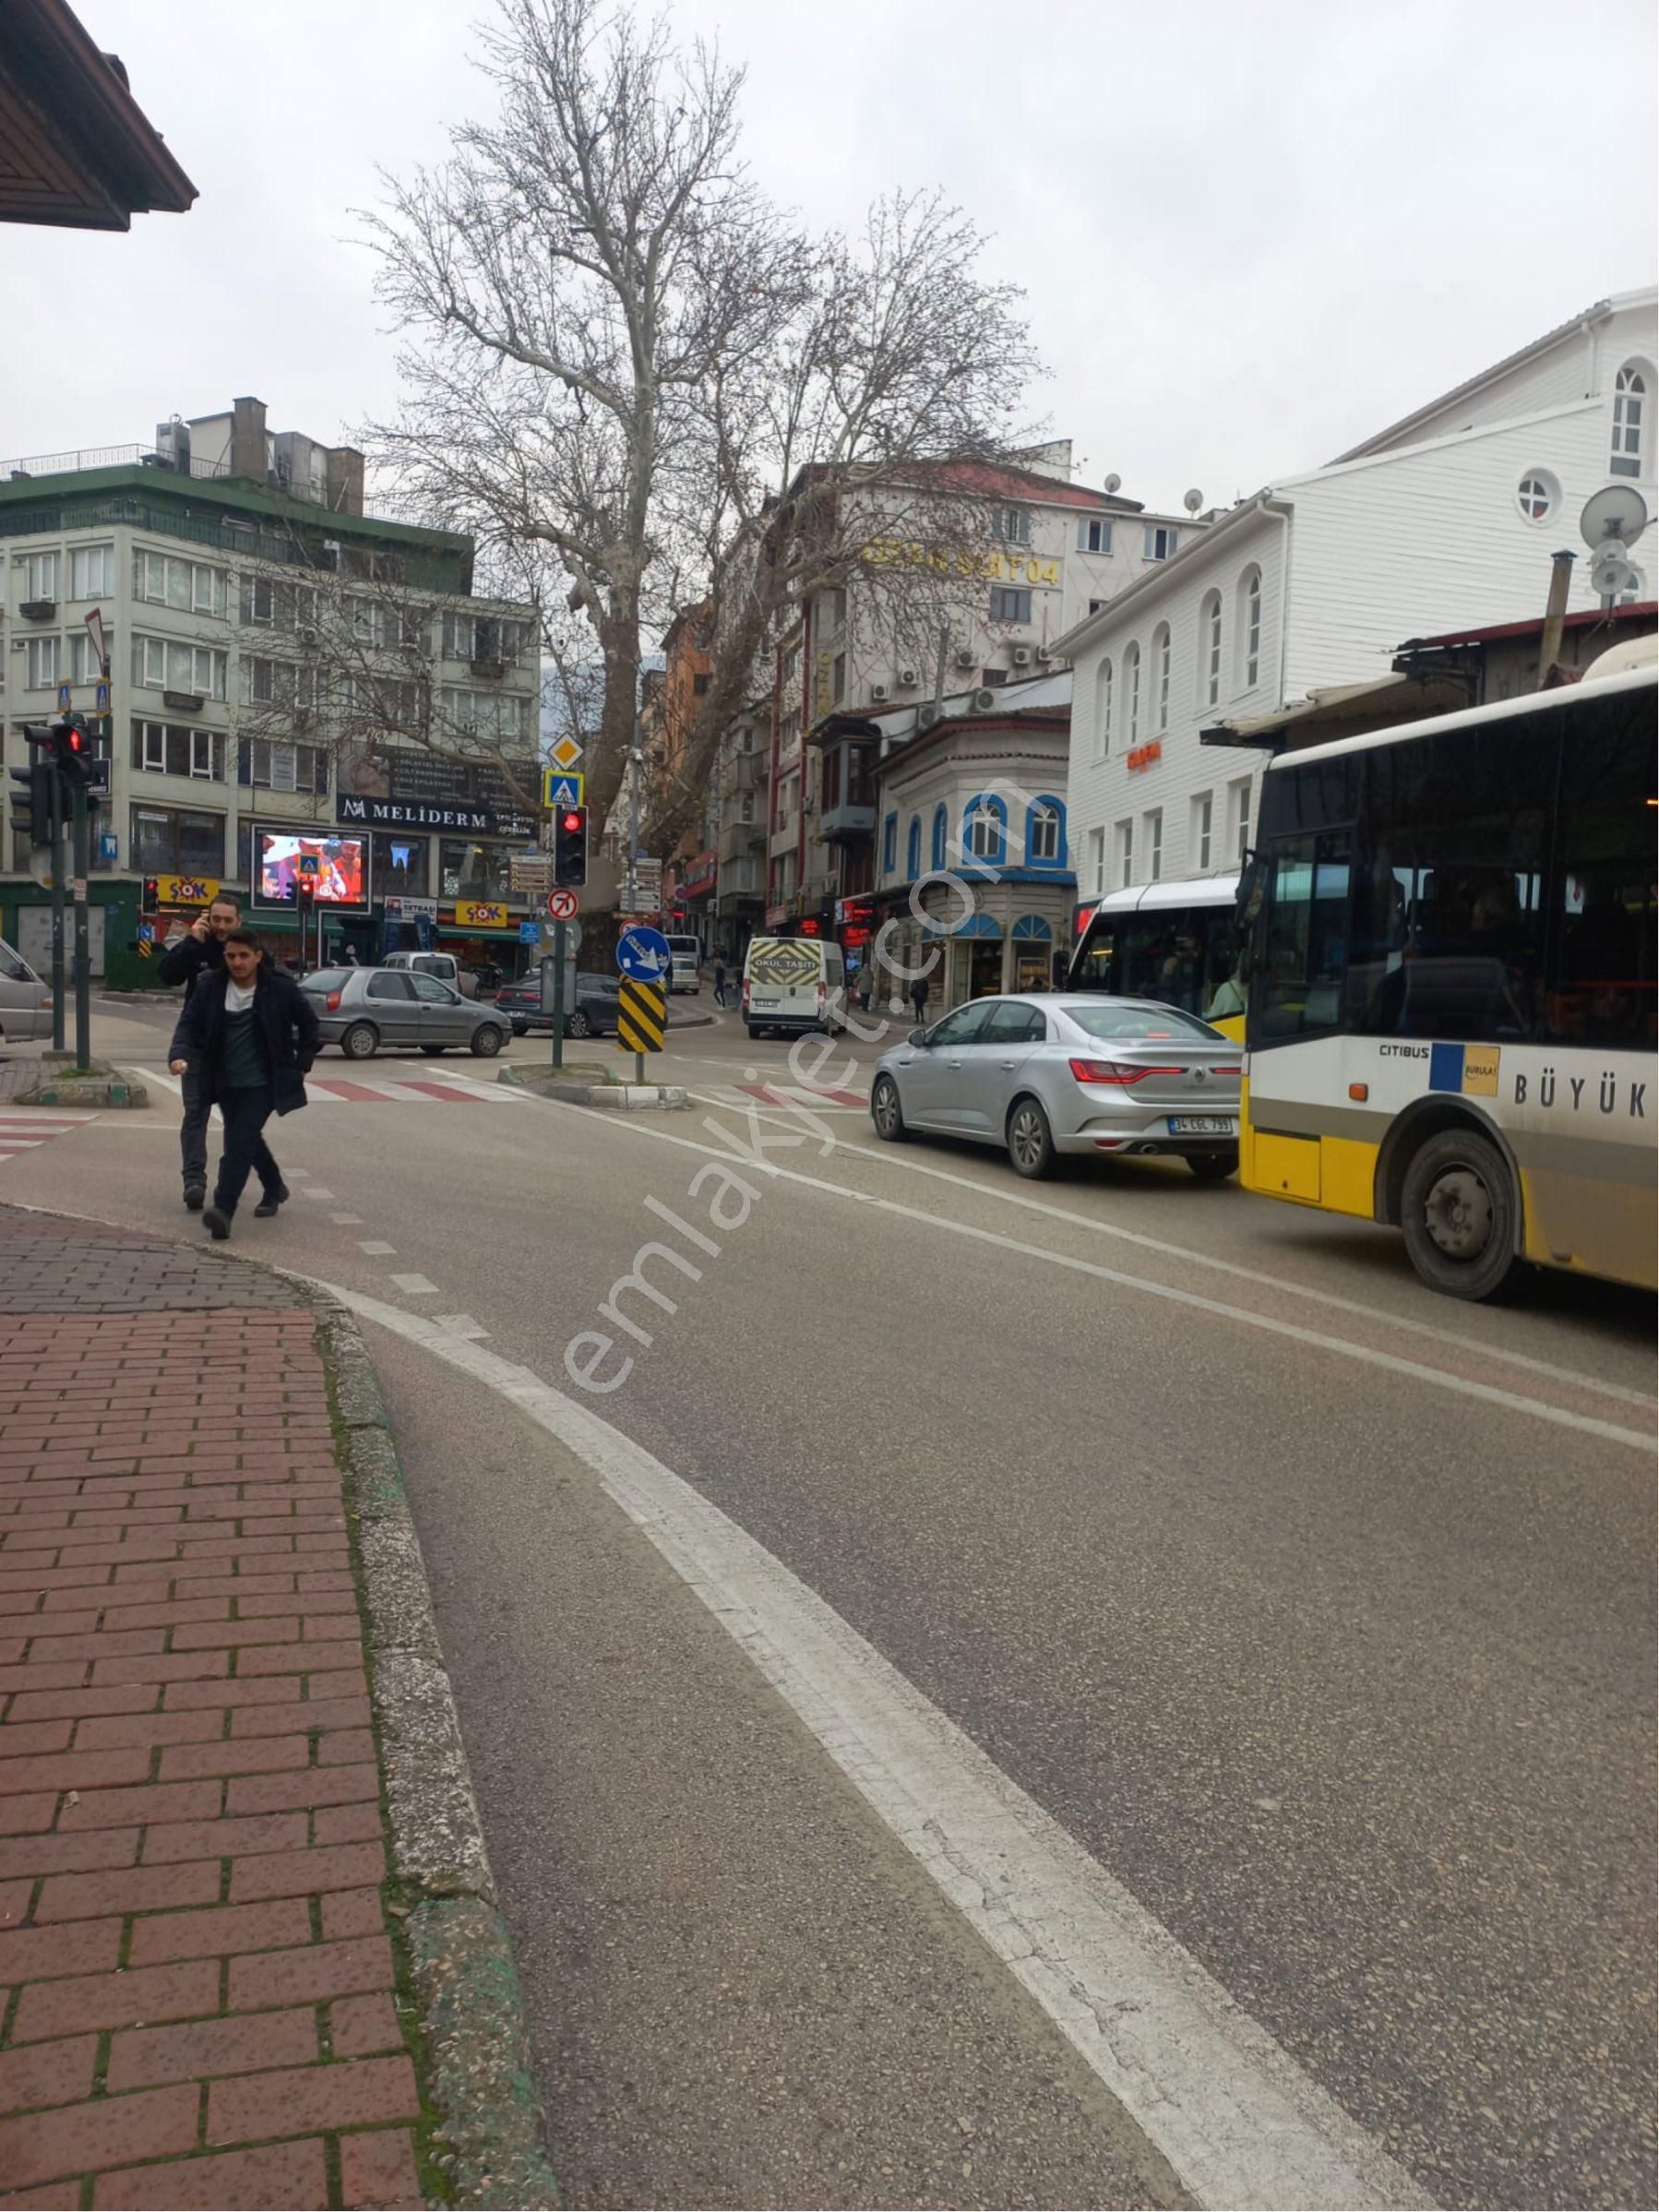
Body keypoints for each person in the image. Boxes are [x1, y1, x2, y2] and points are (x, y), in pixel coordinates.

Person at [169, 928, 318, 1241]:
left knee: (239, 1142)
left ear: (258, 956)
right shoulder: (212, 985)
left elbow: (309, 1025)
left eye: (244, 956)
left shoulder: (279, 988)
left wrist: (302, 1063)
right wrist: (178, 1054)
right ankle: (275, 1186)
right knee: (247, 1139)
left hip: (264, 1082)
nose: (237, 962)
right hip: (225, 1079)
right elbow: (189, 1022)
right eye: (231, 956)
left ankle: (223, 1210)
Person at [159, 892, 243, 1212]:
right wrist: (191, 942)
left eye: (227, 920)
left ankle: (227, 1182)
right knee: (195, 1116)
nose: (221, 926)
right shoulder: (197, 946)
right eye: (216, 919)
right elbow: (168, 975)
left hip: (235, 1051)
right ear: (208, 918)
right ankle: (193, 1182)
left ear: (238, 922)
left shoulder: (246, 949)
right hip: (196, 1048)